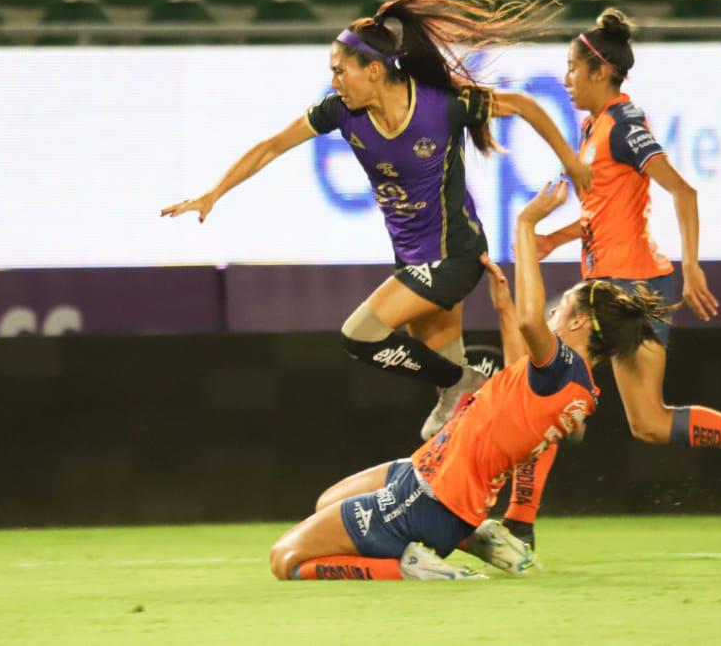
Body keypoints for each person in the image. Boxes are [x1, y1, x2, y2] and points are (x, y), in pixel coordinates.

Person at [161, 0, 592, 439]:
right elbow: (271, 146)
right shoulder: (340, 112)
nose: (334, 80)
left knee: (359, 335)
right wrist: (213, 194)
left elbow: (526, 106)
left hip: (454, 257)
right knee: (447, 431)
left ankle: (469, 380)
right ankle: (491, 476)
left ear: (372, 71)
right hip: (412, 261)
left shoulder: (442, 106)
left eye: (339, 69)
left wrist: (571, 161)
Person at [493, 9, 721, 553]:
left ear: (600, 72)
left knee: (542, 386)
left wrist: (693, 265)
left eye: (573, 68)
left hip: (620, 289)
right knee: (648, 423)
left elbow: (683, 192)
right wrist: (562, 237)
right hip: (637, 287)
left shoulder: (623, 125)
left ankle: (519, 525)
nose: (567, 78)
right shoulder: (594, 126)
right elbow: (613, 209)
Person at [268, 181, 670, 580]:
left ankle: (407, 566)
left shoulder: (562, 365)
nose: (551, 316)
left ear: (580, 321)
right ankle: (477, 538)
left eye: (561, 309)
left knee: (285, 559)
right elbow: (518, 375)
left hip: (427, 498)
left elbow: (532, 323)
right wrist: (504, 308)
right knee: (328, 502)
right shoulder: (578, 389)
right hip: (435, 481)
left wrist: (526, 227)